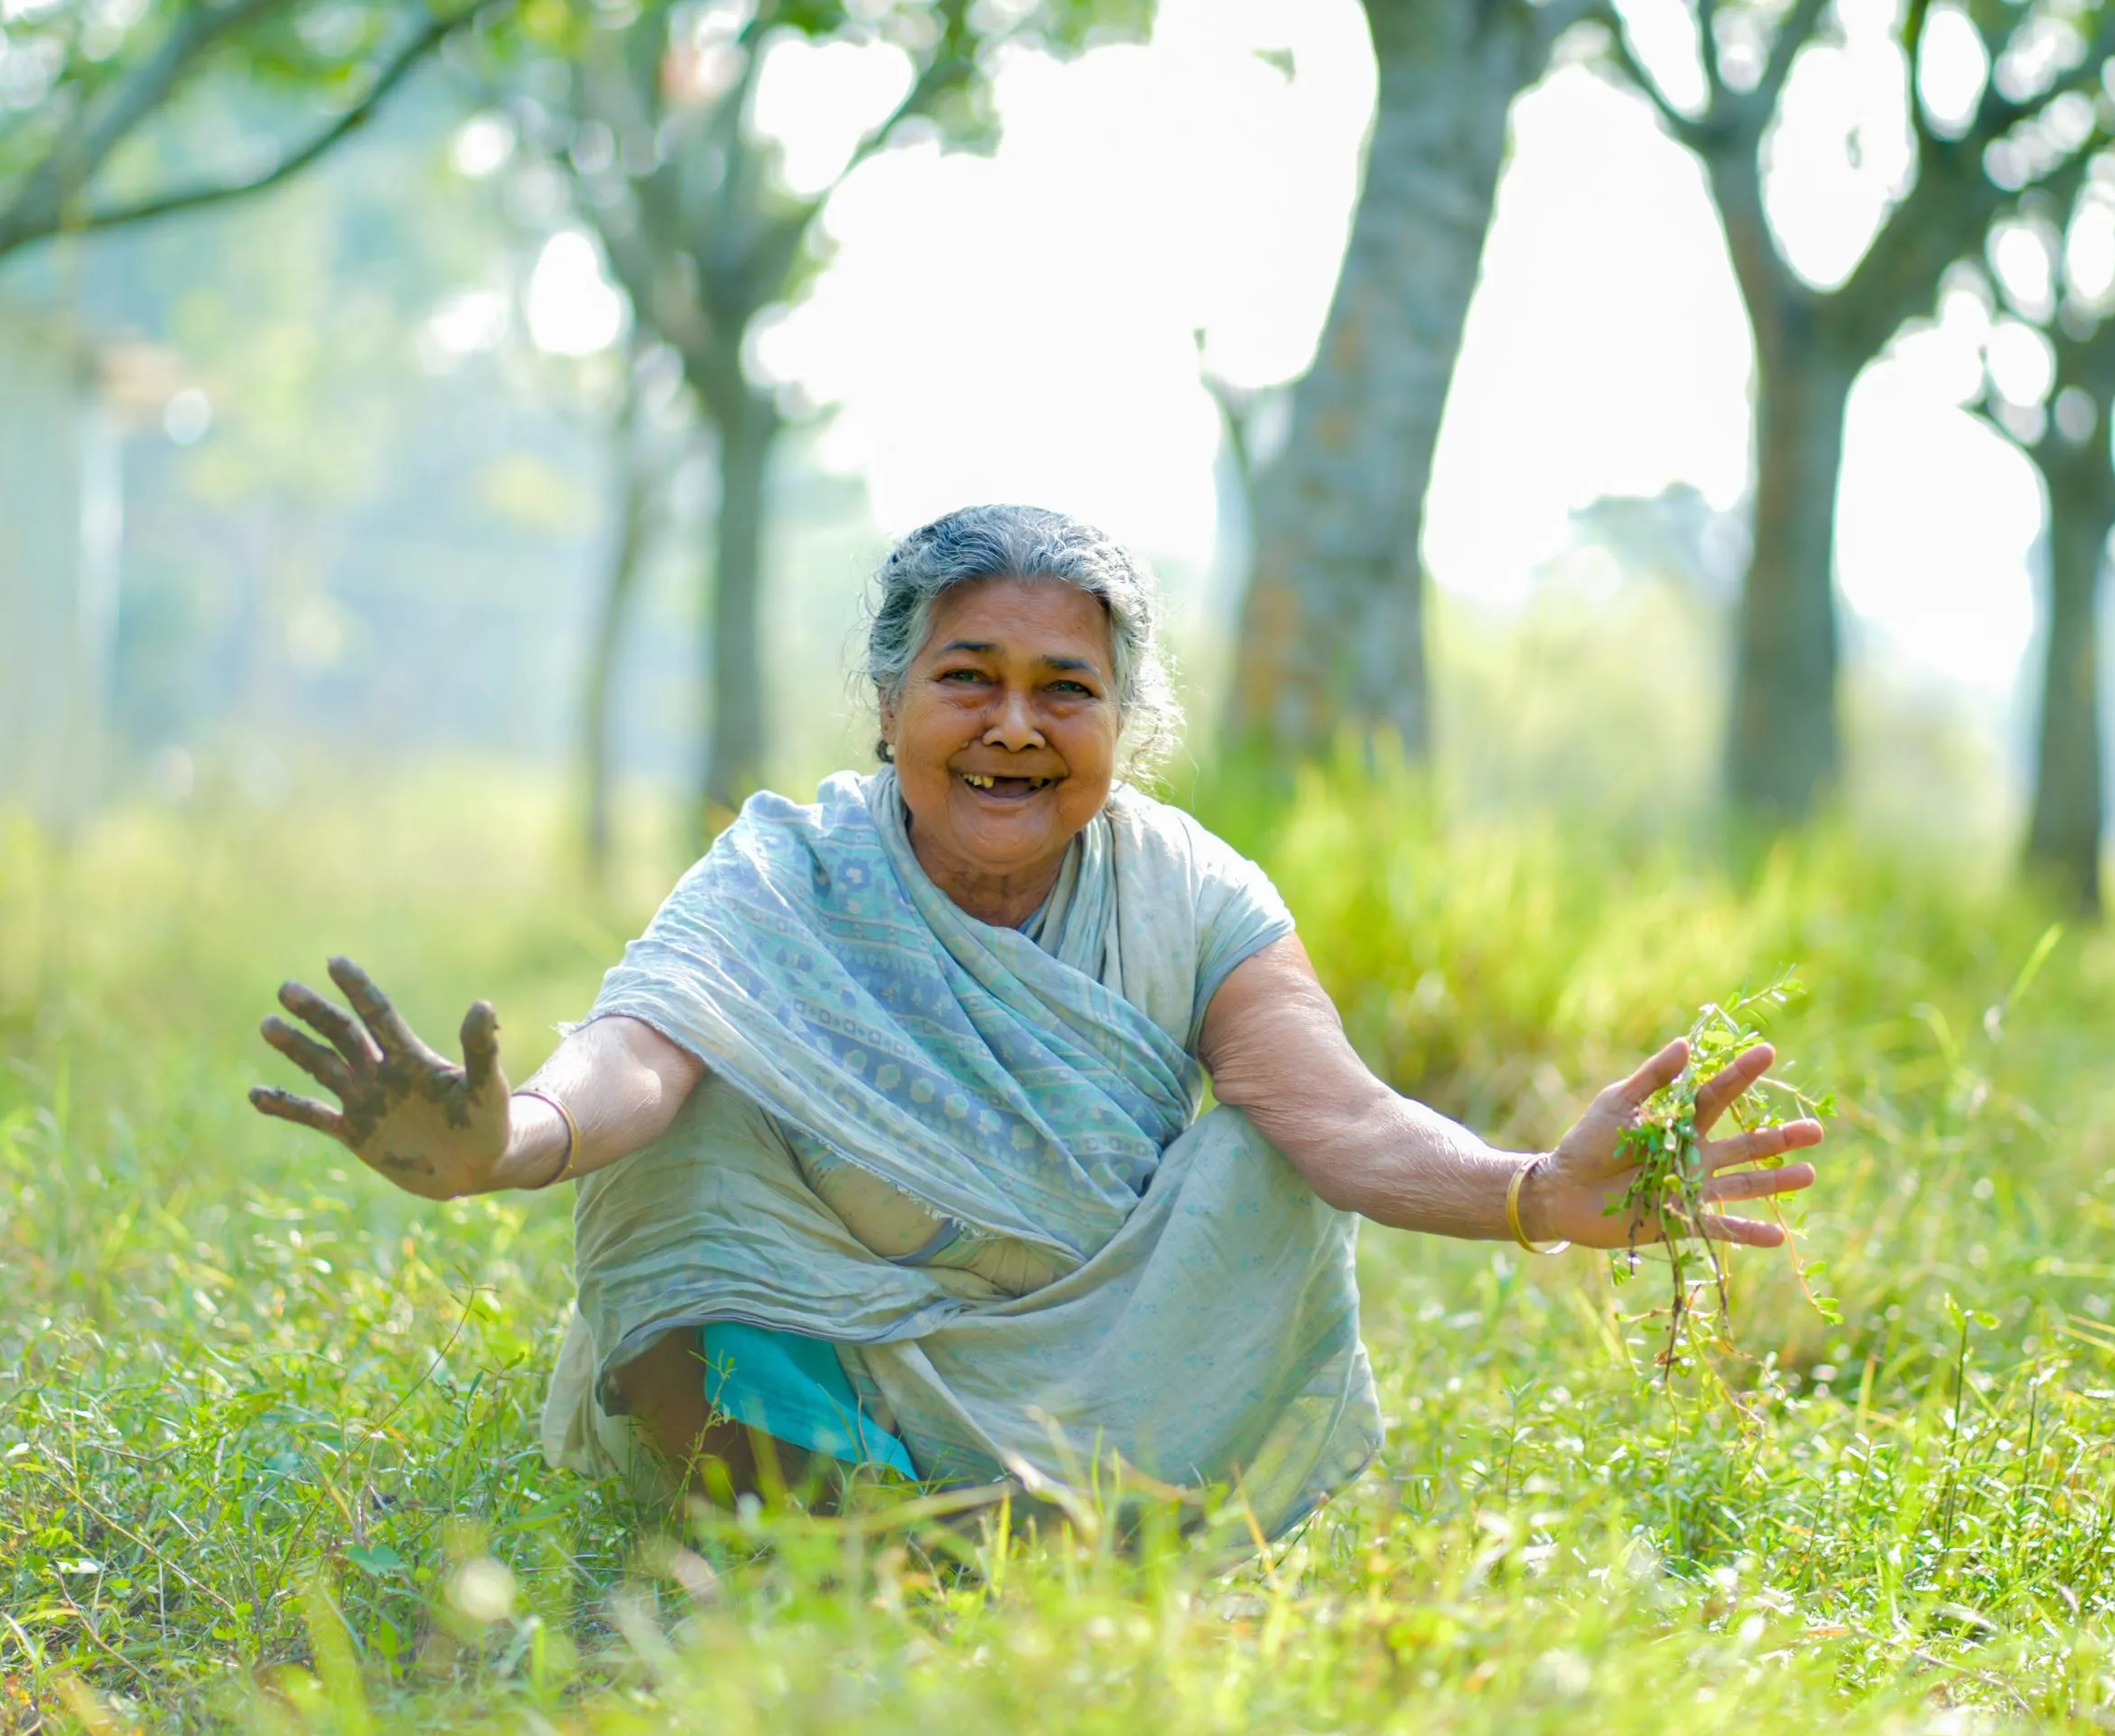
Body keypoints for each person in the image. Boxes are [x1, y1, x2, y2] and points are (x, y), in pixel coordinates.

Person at [250, 505, 1823, 1535]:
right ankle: (838, 1527)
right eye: (968, 678)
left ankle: (1053, 1521)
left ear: (1123, 733)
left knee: (1262, 1162)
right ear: (889, 707)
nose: (1013, 726)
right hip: (809, 1354)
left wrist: (1536, 1191)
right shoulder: (789, 867)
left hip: (1090, 1359)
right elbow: (642, 1055)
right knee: (687, 1140)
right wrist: (509, 1140)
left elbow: (1340, 1119)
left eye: (1064, 691)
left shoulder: (1191, 893)